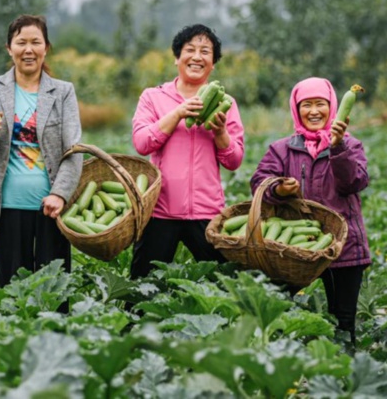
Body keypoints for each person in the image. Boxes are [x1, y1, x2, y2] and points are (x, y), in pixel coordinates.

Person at [250, 76, 370, 347]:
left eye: (320, 104)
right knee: (280, 313)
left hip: (344, 246)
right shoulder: (282, 150)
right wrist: (278, 190)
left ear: (333, 107)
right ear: (296, 109)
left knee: (344, 322)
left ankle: (341, 372)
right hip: (294, 248)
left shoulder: (351, 145)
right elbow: (259, 182)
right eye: (306, 105)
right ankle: (287, 363)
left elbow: (355, 182)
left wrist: (337, 146)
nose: (314, 111)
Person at [0, 15, 83, 288]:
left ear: (46, 48)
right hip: (8, 206)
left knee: (54, 293)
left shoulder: (63, 92)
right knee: (12, 292)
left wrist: (59, 194)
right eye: (21, 42)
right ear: (9, 48)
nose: (28, 49)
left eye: (36, 42)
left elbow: (74, 150)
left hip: (51, 209)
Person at [130, 24, 245, 279]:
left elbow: (235, 160)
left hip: (207, 213)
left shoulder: (226, 104)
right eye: (190, 50)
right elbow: (142, 143)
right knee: (140, 290)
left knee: (223, 286)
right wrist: (178, 114)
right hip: (160, 210)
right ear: (177, 58)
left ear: (213, 63)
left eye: (206, 51)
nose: (197, 56)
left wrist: (220, 134)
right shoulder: (153, 97)